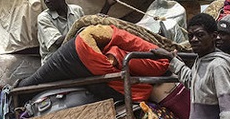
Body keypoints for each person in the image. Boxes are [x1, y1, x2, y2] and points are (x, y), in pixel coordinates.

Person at [21, 24, 171, 103]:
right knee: (137, 92)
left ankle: (14, 93)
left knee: (37, 82)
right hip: (86, 49)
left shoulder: (153, 53)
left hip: (84, 45)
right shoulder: (161, 63)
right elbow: (120, 56)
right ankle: (13, 95)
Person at [37, 0, 117, 64]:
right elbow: (57, 42)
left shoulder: (77, 10)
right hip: (54, 61)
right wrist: (80, 29)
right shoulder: (43, 18)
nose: (46, 1)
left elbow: (88, 27)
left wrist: (107, 5)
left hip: (75, 55)